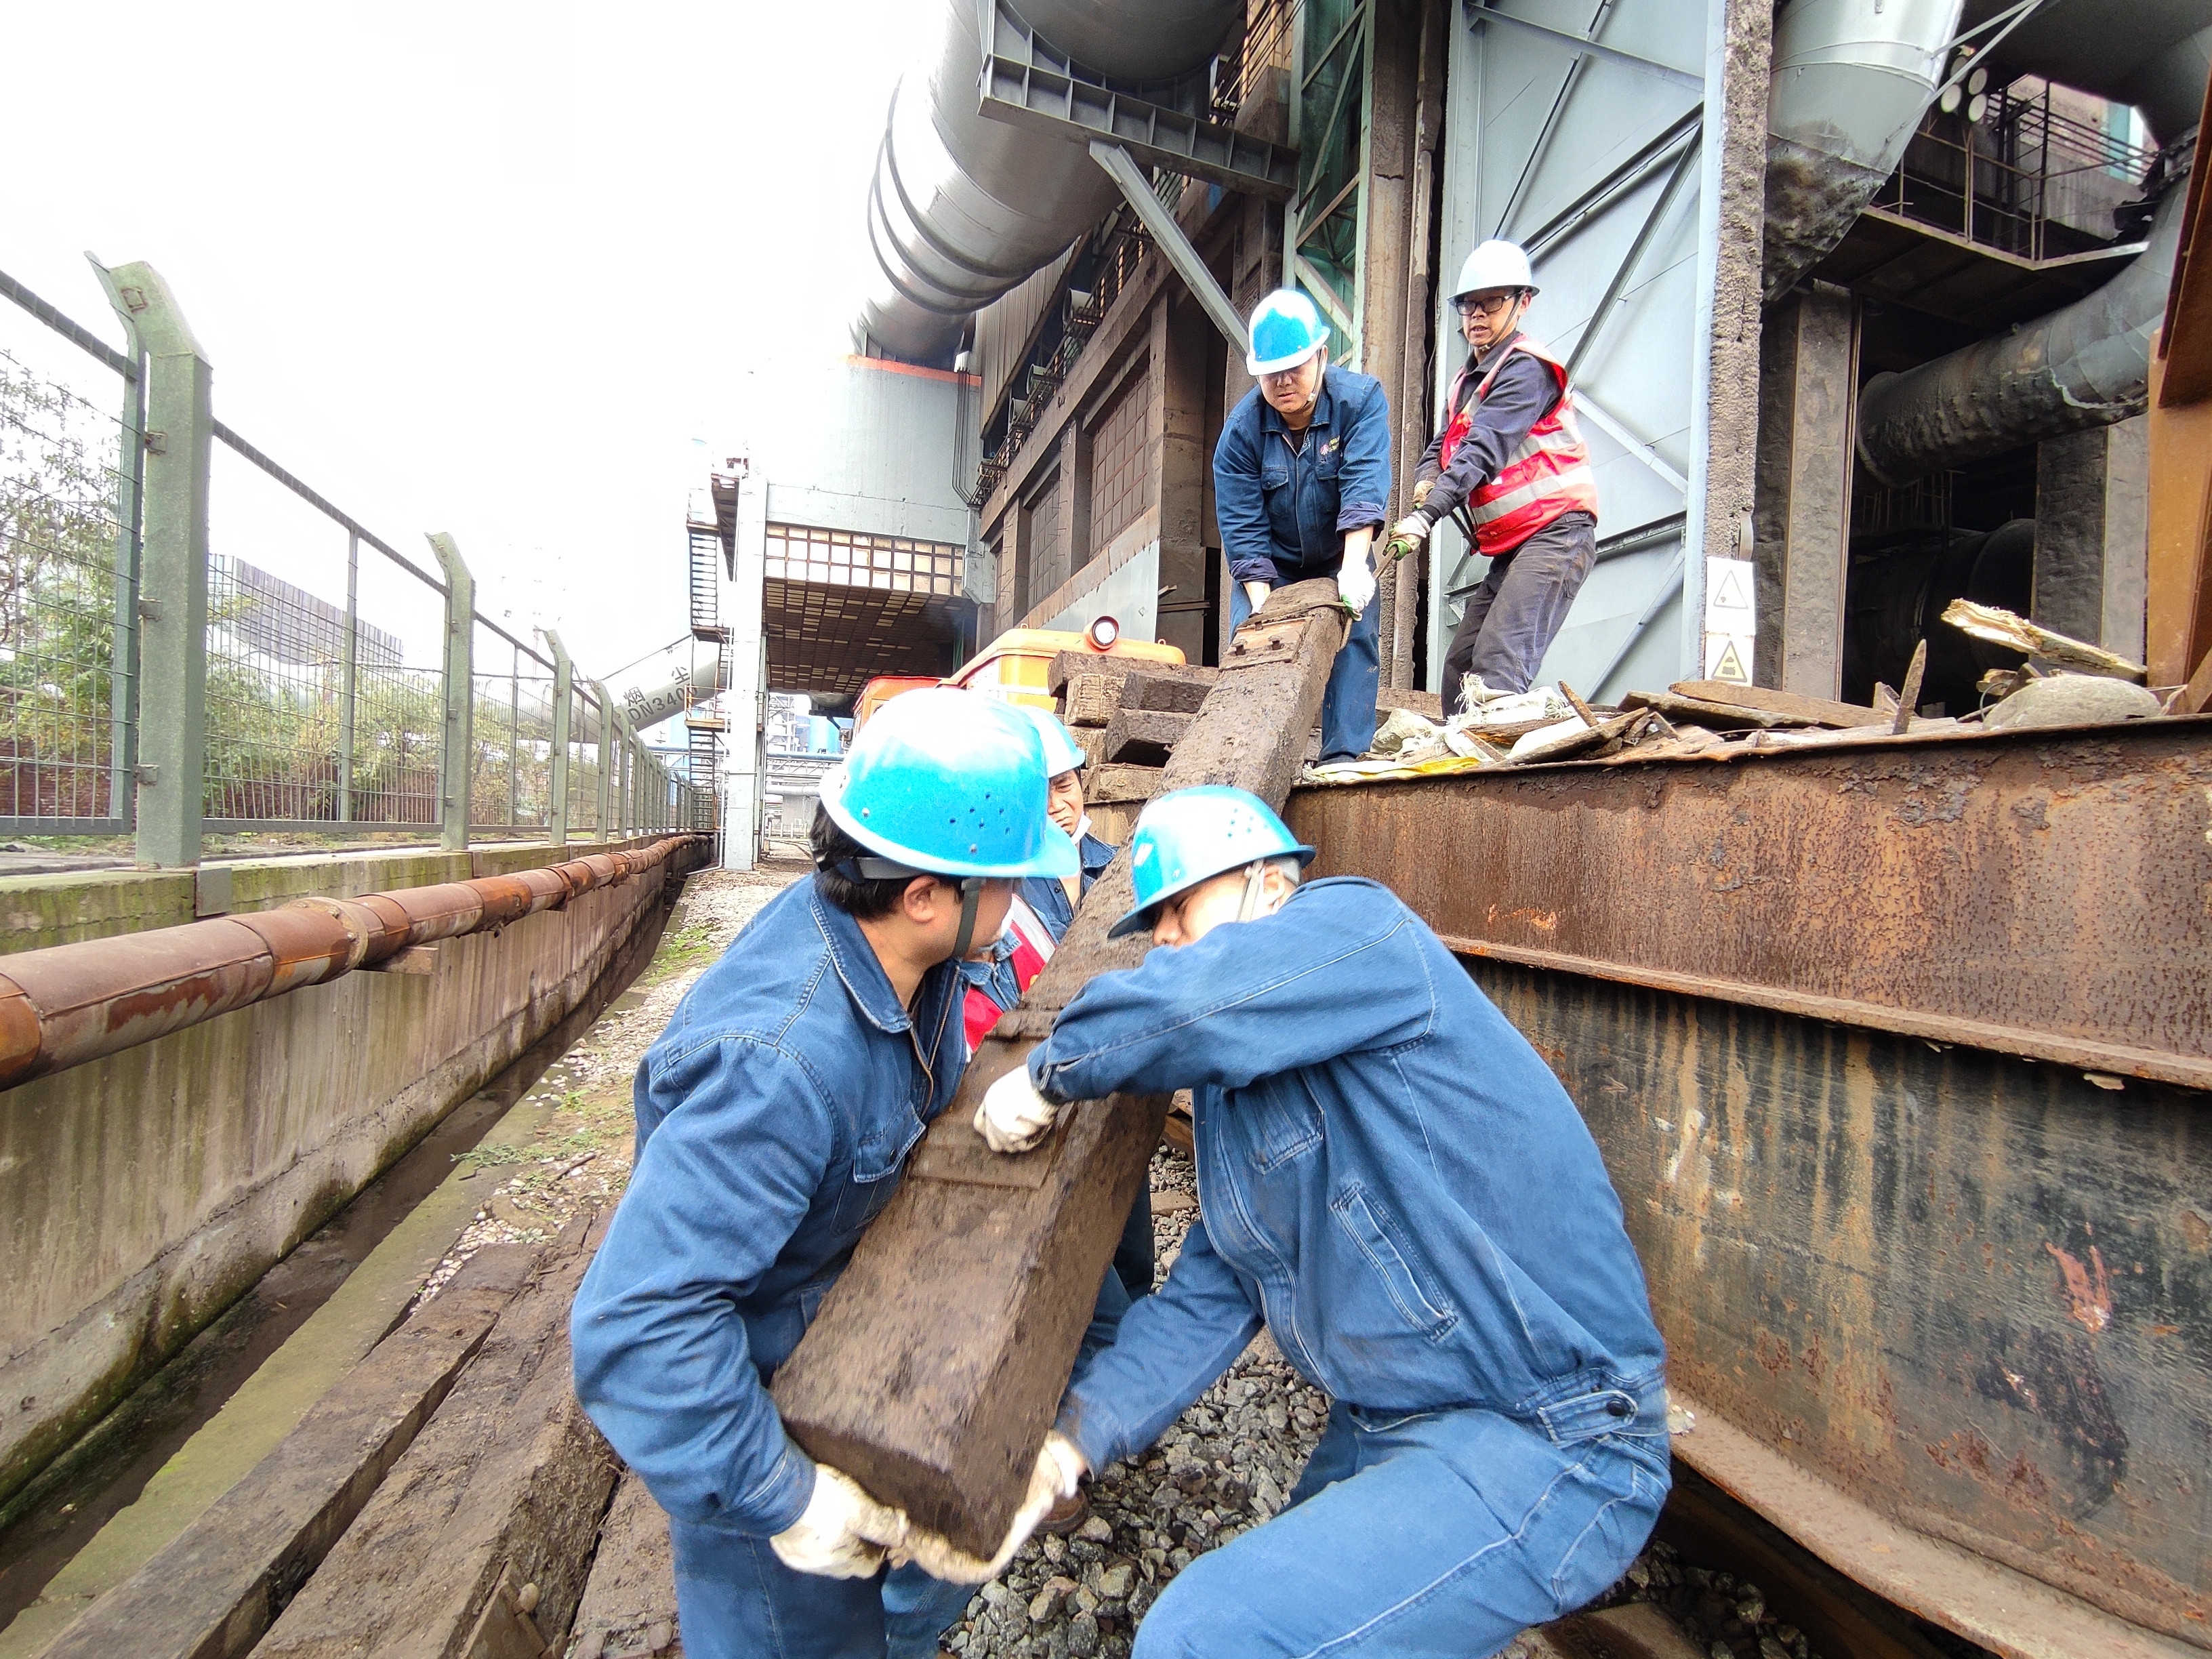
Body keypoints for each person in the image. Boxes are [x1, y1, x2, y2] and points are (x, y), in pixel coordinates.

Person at [972, 786, 1671, 1657]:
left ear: (1269, 885)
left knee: (1203, 1638)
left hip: (1549, 1432)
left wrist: (1051, 1071)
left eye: (1179, 908)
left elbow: (1194, 999)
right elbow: (1219, 1284)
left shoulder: (1360, 930)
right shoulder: (1239, 1097)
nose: (1162, 940)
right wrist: (1071, 1443)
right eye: (1153, 921)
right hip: (1394, 1417)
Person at [569, 687, 1080, 1659]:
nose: (1019, 903)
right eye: (1006, 882)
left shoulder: (904, 952)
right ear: (927, 895)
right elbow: (636, 1327)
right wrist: (787, 1497)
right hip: (752, 1420)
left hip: (822, 1346)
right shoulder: (782, 1067)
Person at [960, 705, 1153, 1309]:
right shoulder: (1004, 880)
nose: (1054, 805)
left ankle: (1130, 1320)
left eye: (1063, 786)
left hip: (1116, 1071)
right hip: (1031, 1074)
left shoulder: (1120, 866)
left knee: (1129, 1227)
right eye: (1037, 792)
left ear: (1082, 784)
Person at [1388, 239, 1599, 705]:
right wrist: (1427, 481)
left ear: (1522, 304)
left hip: (1558, 532)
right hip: (1517, 543)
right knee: (1460, 667)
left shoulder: (1527, 369)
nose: (1477, 315)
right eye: (1469, 305)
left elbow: (1483, 450)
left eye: (1492, 303)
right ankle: (1462, 764)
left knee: (1498, 668)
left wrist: (1427, 517)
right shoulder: (1465, 383)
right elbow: (1441, 447)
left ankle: (1493, 767)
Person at [1214, 289, 1391, 762]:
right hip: (1274, 566)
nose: (1284, 381)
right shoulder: (1240, 433)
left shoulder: (1361, 402)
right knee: (1254, 648)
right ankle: (1249, 758)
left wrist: (1354, 568)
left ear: (1322, 356)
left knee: (1354, 636)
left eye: (1295, 367)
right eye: (1271, 373)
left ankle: (1342, 757)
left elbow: (1362, 486)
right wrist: (1267, 612)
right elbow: (1244, 531)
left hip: (1341, 554)